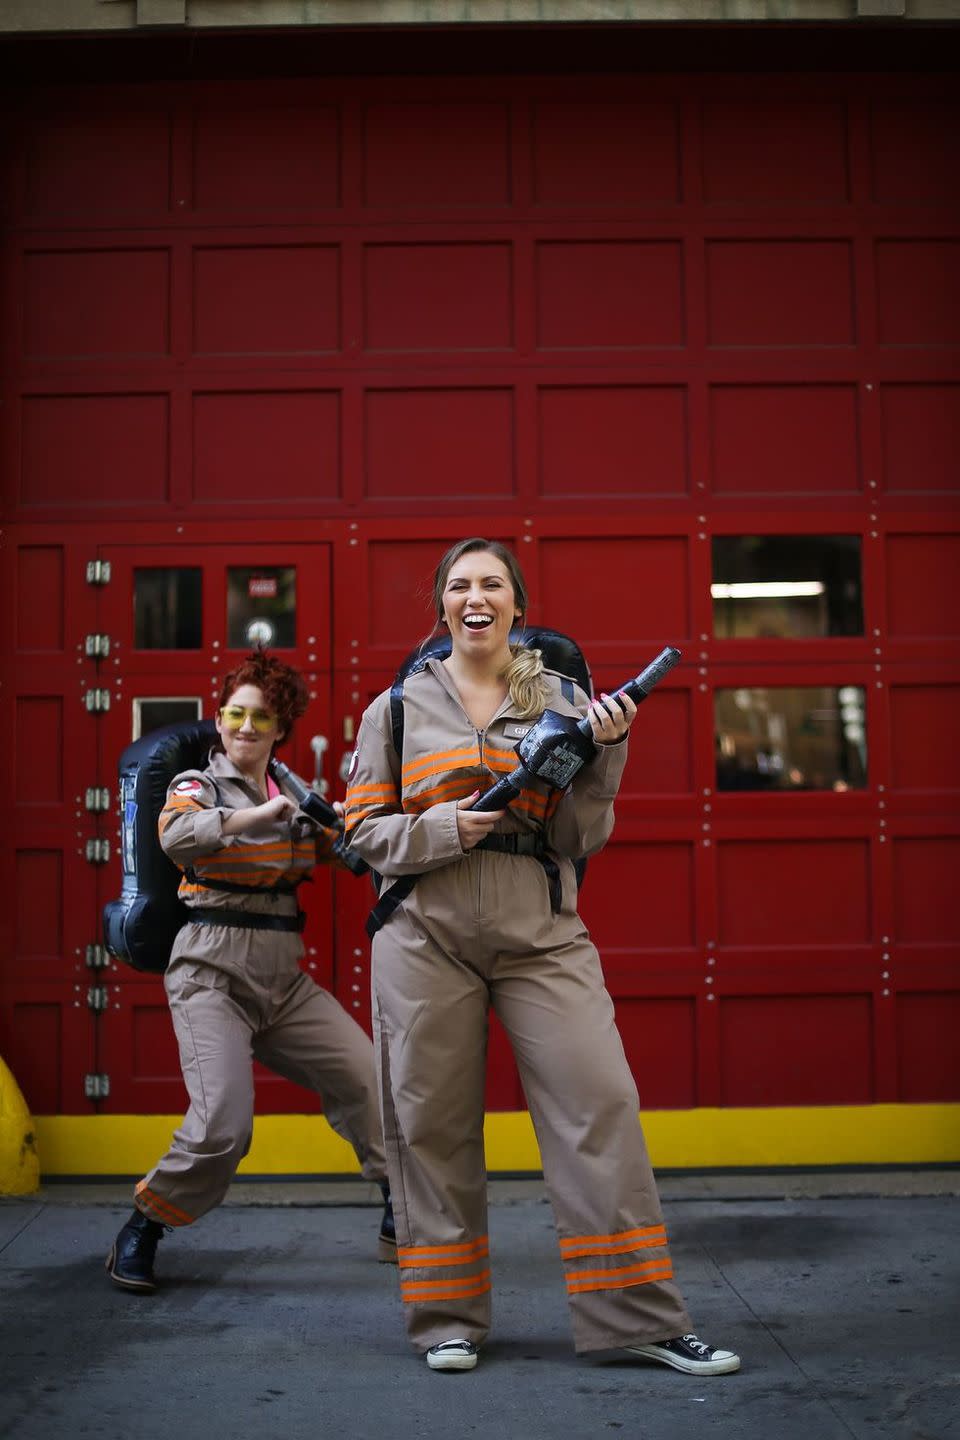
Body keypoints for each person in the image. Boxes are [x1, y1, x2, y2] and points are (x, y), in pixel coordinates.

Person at [344, 538, 740, 1376]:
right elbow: (360, 833)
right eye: (460, 585)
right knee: (430, 1125)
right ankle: (445, 1319)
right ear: (443, 608)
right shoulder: (398, 708)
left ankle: (638, 1316)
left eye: (492, 583)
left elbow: (580, 835)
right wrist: (445, 827)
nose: (475, 596)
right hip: (424, 930)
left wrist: (610, 753)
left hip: (542, 929)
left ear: (518, 606)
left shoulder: (565, 697)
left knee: (599, 1103)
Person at [106, 651, 393, 1293]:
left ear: (280, 727)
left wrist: (355, 826)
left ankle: (399, 1211)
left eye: (259, 717)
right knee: (223, 1125)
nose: (243, 726)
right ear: (219, 716)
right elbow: (177, 836)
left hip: (282, 979)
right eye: (234, 712)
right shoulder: (197, 784)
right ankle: (146, 1223)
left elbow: (348, 853)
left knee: (368, 1081)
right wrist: (250, 819)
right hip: (211, 971)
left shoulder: (291, 792)